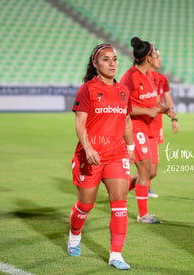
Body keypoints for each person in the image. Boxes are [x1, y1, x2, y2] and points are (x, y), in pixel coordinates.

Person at [67, 43, 134, 270]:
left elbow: (126, 121)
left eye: (115, 59)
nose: (112, 63)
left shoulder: (124, 90)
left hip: (116, 154)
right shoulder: (88, 89)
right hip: (91, 155)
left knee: (120, 205)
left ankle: (116, 255)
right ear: (95, 64)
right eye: (106, 59)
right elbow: (80, 122)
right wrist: (88, 148)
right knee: (86, 205)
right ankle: (75, 235)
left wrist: (131, 148)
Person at [120, 36, 162, 224]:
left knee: (152, 172)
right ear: (148, 58)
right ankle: (143, 214)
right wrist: (147, 110)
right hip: (135, 127)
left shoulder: (149, 76)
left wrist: (164, 110)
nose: (156, 57)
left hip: (150, 128)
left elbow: (152, 100)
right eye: (154, 54)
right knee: (144, 170)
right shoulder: (130, 78)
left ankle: (119, 191)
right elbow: (123, 104)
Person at [147, 48, 179, 198]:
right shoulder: (140, 77)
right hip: (141, 125)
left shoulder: (162, 79)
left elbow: (168, 100)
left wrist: (174, 119)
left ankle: (143, 186)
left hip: (156, 125)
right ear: (149, 58)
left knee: (152, 166)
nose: (160, 59)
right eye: (157, 56)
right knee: (141, 161)